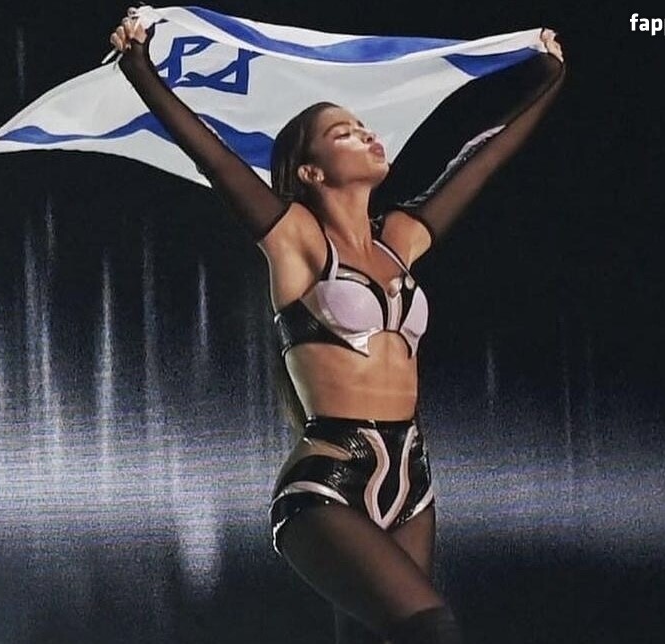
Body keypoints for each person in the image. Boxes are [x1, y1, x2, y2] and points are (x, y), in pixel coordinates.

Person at [110, 8, 565, 643]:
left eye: (363, 126)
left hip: (412, 476)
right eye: (344, 133)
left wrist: (548, 79)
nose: (367, 135)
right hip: (328, 484)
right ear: (310, 171)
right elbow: (213, 157)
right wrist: (140, 71)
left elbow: (478, 161)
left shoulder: (400, 240)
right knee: (432, 629)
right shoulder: (296, 239)